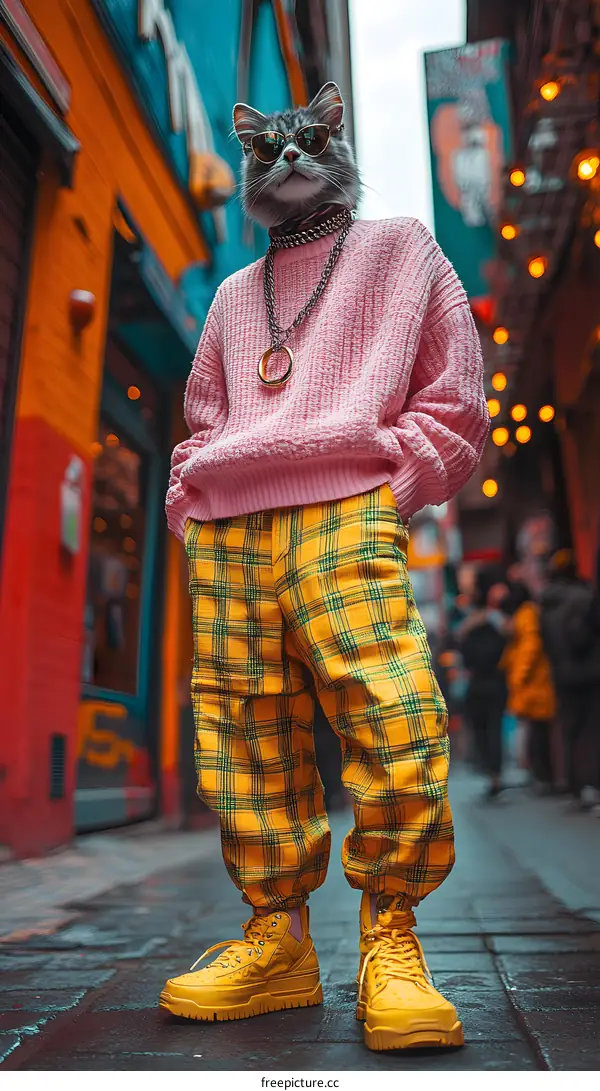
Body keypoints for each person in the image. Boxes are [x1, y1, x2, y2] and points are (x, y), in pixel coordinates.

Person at [162, 82, 488, 1051]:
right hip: (229, 527)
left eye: (299, 150)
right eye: (267, 156)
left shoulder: (400, 248)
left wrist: (387, 488)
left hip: (347, 507)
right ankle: (280, 939)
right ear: (255, 173)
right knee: (242, 727)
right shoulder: (229, 293)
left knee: (392, 707)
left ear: (333, 147)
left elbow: (456, 397)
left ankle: (392, 929)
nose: (286, 164)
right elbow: (204, 418)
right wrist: (193, 499)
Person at [540, 550, 600, 809]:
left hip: (560, 673)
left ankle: (573, 783)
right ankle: (590, 782)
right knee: (591, 728)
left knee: (569, 727)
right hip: (589, 671)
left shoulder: (544, 605)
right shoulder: (584, 598)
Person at [501, 582, 556, 792]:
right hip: (534, 684)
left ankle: (544, 778)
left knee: (539, 733)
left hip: (535, 684)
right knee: (536, 732)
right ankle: (541, 776)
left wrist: (518, 675)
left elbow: (530, 647)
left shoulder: (526, 615)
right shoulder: (527, 614)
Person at [458, 572, 509, 798]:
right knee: (495, 728)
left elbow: (465, 659)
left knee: (481, 729)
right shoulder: (500, 628)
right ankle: (495, 772)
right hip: (496, 683)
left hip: (477, 684)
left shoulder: (467, 630)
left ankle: (489, 768)